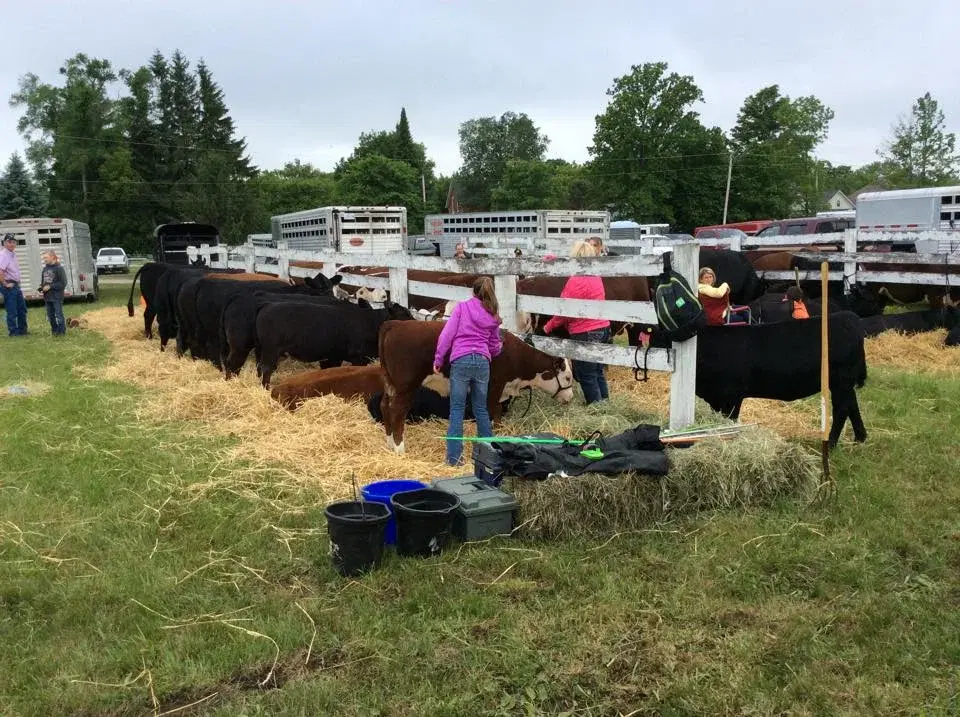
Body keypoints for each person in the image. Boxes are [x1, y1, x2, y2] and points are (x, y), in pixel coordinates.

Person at [433, 276, 503, 466]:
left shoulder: (462, 308)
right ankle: (488, 458)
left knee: (456, 410)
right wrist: (497, 348)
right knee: (481, 409)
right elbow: (495, 346)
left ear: (473, 292)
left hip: (461, 360)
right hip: (482, 362)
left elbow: (447, 335)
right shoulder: (492, 314)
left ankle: (454, 460)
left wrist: (439, 359)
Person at [543, 240, 610, 404]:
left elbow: (565, 311)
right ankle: (604, 403)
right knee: (597, 369)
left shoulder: (576, 281)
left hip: (585, 331)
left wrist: (548, 326)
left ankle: (595, 407)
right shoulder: (596, 276)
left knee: (586, 372)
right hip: (602, 327)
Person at [0, 233, 28, 337]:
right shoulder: (4, 255)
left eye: (13, 242)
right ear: (4, 243)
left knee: (22, 309)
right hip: (9, 287)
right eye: (9, 242)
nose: (12, 244)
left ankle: (22, 330)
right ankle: (13, 332)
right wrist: (5, 284)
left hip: (15, 286)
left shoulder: (12, 254)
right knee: (12, 310)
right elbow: (0, 271)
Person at [39, 250, 67, 336]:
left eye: (46, 257)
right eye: (44, 258)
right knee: (50, 316)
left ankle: (61, 332)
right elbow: (44, 282)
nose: (45, 260)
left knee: (58, 315)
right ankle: (54, 331)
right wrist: (41, 288)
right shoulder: (45, 269)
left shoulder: (59, 268)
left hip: (57, 297)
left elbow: (63, 283)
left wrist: (50, 286)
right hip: (47, 297)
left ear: (52, 257)